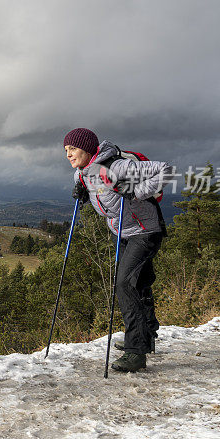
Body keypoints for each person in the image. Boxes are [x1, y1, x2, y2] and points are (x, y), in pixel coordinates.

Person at [63, 127, 173, 373]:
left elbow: (166, 169)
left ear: (88, 148)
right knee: (139, 282)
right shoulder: (82, 174)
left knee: (125, 284)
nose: (68, 155)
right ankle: (145, 335)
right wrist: (82, 194)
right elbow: (102, 199)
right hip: (124, 232)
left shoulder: (118, 167)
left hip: (146, 232)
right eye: (66, 150)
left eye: (73, 149)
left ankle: (136, 351)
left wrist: (135, 191)